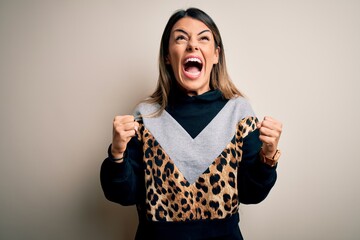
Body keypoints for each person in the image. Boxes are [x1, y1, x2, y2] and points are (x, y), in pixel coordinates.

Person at [100, 7, 282, 240]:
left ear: (216, 55)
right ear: (167, 55)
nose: (192, 45)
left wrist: (268, 156)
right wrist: (117, 153)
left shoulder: (239, 112)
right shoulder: (144, 116)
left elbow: (251, 194)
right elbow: (123, 195)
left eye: (203, 38)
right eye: (181, 38)